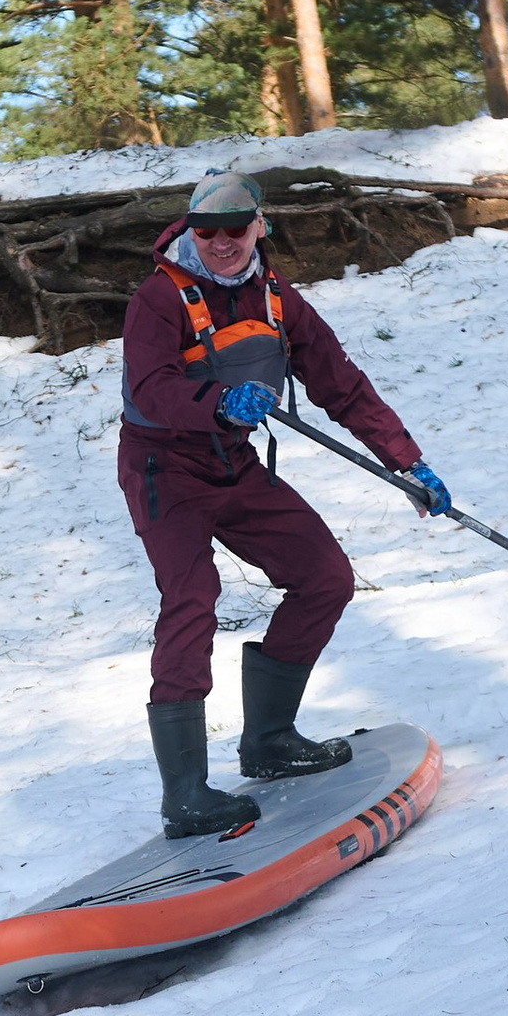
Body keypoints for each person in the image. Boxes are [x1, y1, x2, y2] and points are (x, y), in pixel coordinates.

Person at [118, 168, 452, 838]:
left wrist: (406, 459)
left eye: (234, 228)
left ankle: (268, 740)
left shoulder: (278, 301)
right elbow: (151, 388)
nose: (220, 242)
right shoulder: (159, 299)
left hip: (232, 462)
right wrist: (216, 402)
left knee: (324, 576)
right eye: (206, 230)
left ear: (258, 227)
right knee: (192, 598)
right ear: (190, 229)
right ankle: (183, 793)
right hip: (164, 466)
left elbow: (342, 385)